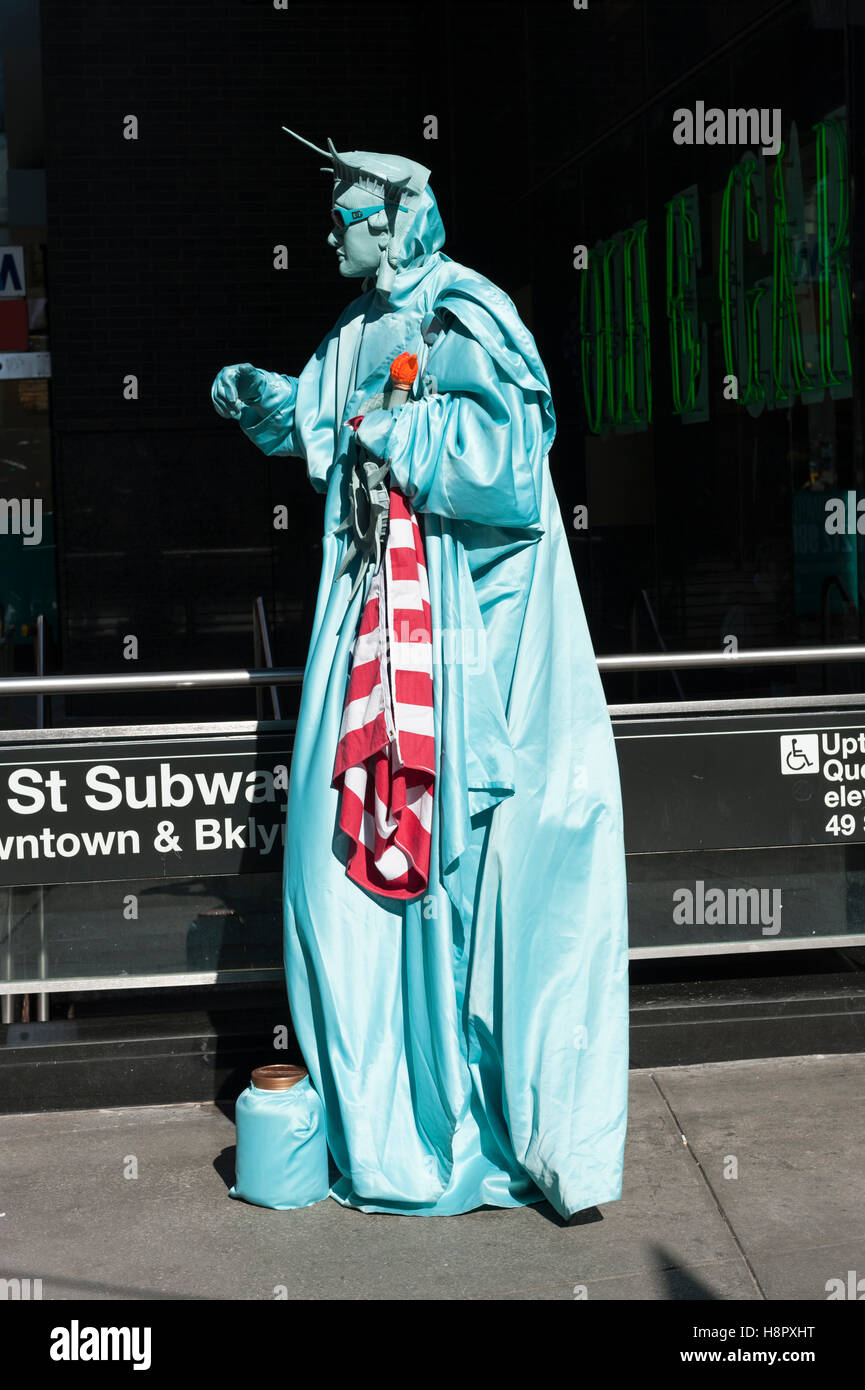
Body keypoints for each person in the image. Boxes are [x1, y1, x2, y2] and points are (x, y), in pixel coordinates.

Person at [211, 132, 629, 1218]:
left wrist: (399, 430)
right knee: (327, 863)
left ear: (396, 216)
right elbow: (318, 423)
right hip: (366, 625)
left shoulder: (467, 312)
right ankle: (386, 1119)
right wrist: (270, 406)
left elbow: (510, 466)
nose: (330, 229)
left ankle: (467, 1117)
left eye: (346, 213)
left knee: (467, 875)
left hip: (461, 642)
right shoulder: (354, 330)